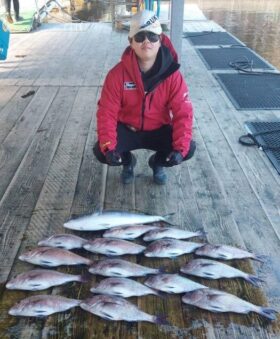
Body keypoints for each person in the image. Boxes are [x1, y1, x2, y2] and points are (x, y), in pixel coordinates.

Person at [93, 10, 195, 185]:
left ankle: (157, 163)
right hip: (127, 129)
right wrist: (109, 147)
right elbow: (106, 112)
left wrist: (180, 148)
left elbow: (183, 113)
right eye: (140, 37)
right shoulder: (116, 75)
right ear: (131, 42)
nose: (146, 41)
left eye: (152, 36)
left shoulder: (173, 76)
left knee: (188, 149)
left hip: (159, 129)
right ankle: (127, 161)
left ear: (160, 39)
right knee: (100, 151)